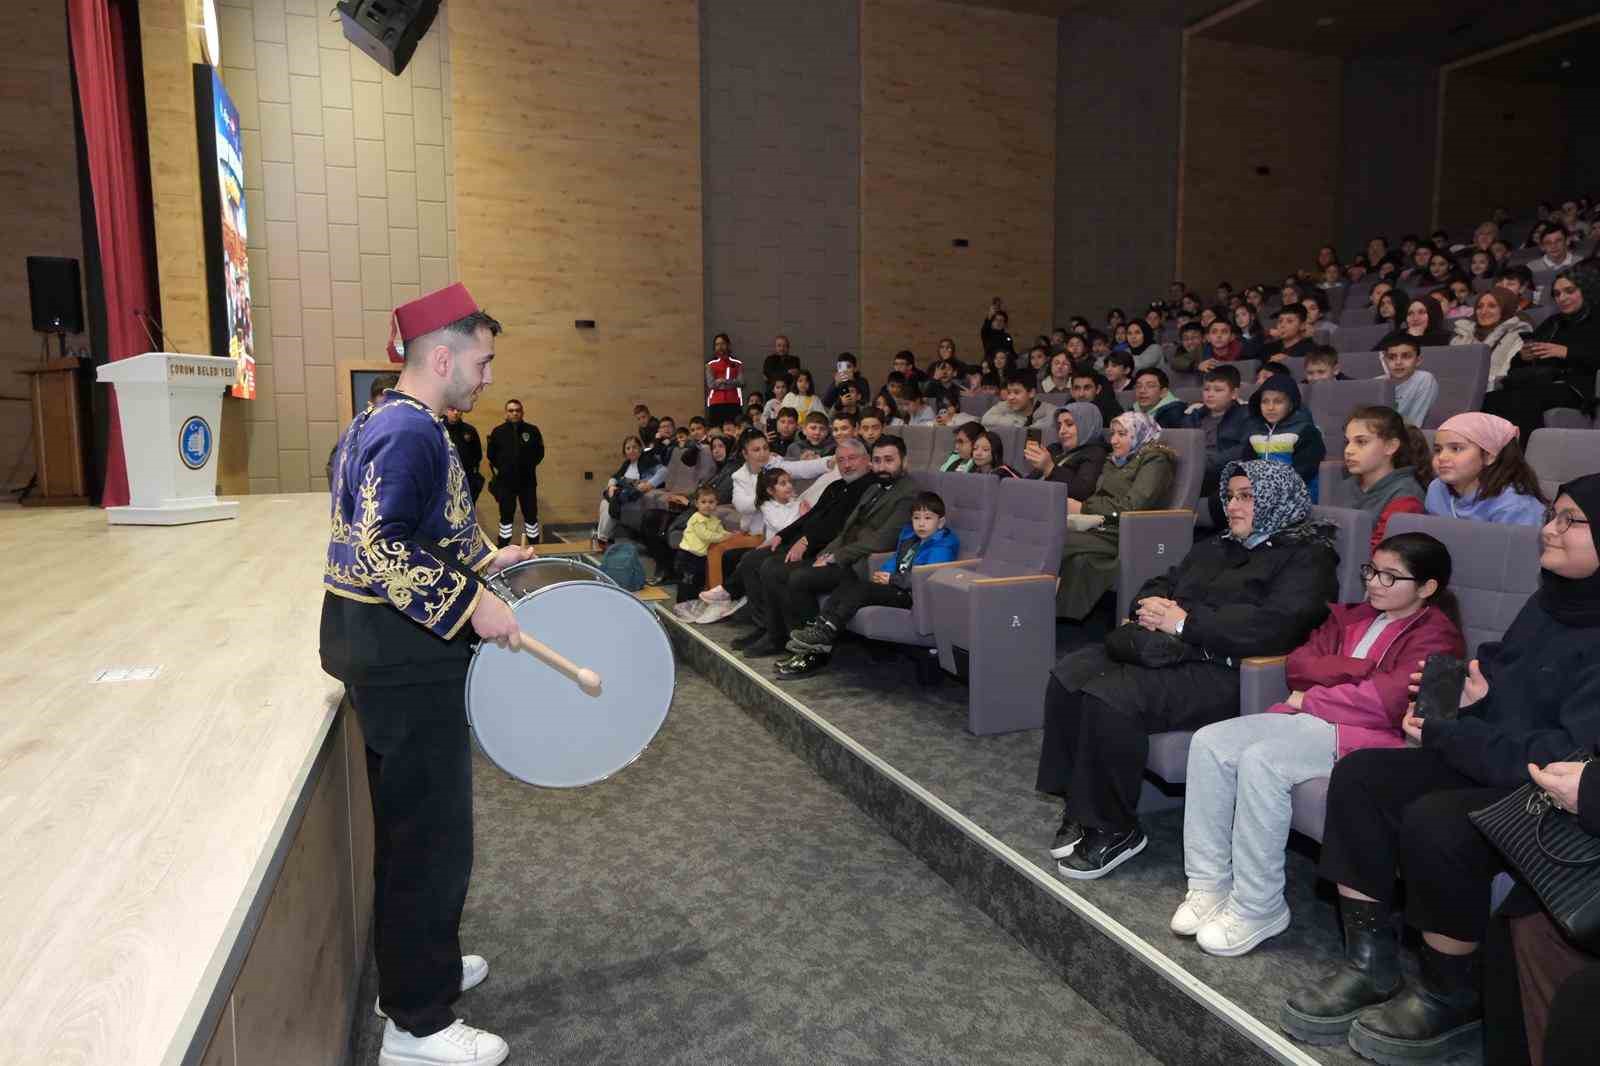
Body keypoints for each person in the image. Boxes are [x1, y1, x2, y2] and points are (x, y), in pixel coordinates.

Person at [1281, 477, 1600, 1062]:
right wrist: (1475, 698)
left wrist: (1459, 730)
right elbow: (1506, 678)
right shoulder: (1550, 597)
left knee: (1439, 821)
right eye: (1552, 514)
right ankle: (1371, 964)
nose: (1549, 528)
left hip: (1553, 793)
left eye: (1571, 520)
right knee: (1362, 778)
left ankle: (1450, 994)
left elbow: (1567, 754)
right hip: (1494, 751)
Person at [321, 284, 518, 1066]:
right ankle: (418, 1024)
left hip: (384, 646)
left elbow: (429, 526)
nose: (487, 376)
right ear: (443, 357)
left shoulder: (394, 419)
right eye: (482, 360)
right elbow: (386, 549)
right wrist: (473, 605)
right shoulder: (408, 433)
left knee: (412, 831)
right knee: (430, 838)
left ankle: (414, 971)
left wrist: (484, 561)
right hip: (405, 657)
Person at [1041, 461, 1340, 879]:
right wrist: (1147, 607)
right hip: (1169, 650)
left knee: (1112, 696)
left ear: (1275, 500)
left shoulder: (1309, 559)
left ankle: (1116, 827)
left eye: (1247, 497)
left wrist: (1183, 621)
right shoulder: (1218, 544)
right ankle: (1079, 800)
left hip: (1231, 671)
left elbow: (1275, 626)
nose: (1233, 506)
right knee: (1069, 675)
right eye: (1231, 496)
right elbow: (1165, 580)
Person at [1177, 532, 1465, 956]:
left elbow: (1384, 704)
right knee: (1209, 742)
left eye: (1391, 577)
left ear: (1427, 588)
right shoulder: (1354, 615)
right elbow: (1299, 664)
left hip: (1372, 739)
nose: (1374, 584)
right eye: (1372, 571)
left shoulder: (1436, 635)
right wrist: (1356, 670)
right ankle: (1208, 884)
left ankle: (1259, 906)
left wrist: (1315, 695)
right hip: (1314, 721)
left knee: (1263, 760)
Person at [730, 436, 918, 657]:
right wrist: (826, 552)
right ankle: (783, 637)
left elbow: (883, 539)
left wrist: (834, 555)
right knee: (768, 565)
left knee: (793, 574)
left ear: (904, 461)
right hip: (839, 553)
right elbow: (846, 529)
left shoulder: (906, 492)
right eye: (878, 460)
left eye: (889, 460)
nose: (882, 466)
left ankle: (809, 651)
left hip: (860, 563)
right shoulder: (874, 487)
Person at [776, 491, 960, 678]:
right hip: (894, 587)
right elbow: (895, 559)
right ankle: (821, 627)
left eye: (928, 518)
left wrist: (892, 579)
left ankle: (828, 629)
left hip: (910, 595)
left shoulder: (942, 545)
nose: (921, 523)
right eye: (916, 518)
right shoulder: (910, 538)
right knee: (849, 585)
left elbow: (925, 577)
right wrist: (884, 573)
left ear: (941, 522)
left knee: (860, 590)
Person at [1054, 412, 1176, 622]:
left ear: (1140, 434)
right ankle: (1056, 615)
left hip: (1129, 532)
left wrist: (1084, 508)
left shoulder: (1156, 459)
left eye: (1122, 434)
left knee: (1056, 541)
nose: (1113, 440)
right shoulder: (1118, 459)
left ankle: (1038, 611)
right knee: (1074, 555)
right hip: (1102, 525)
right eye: (1112, 434)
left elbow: (1133, 506)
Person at [1483, 266, 1600, 444]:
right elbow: (1517, 363)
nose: (1562, 298)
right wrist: (1523, 357)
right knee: (1491, 399)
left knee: (1527, 398)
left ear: (1586, 289)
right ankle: (1496, 458)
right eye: (1557, 294)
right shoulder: (1553, 322)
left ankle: (1524, 459)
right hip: (1543, 380)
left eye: (1569, 291)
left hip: (1578, 387)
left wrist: (1566, 352)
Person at [1424, 412, 1546, 526]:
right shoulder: (1437, 489)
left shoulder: (1515, 505)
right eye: (1437, 450)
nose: (1442, 457)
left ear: (1489, 456)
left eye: (1456, 449)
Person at [1339, 405, 1429, 549]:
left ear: (1391, 447)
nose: (1348, 450)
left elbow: (1382, 553)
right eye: (1347, 442)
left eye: (1361, 442)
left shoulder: (1405, 495)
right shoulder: (1346, 485)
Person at [1180, 365, 1252, 526]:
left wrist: (1203, 463)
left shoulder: (1246, 416)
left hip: (1222, 472)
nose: (1210, 394)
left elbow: (1244, 450)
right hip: (1192, 471)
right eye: (1206, 389)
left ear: (1234, 393)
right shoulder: (1192, 418)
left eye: (1218, 390)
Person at [1246, 373, 1326, 498]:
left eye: (1278, 402)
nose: (1270, 407)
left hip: (1295, 493)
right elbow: (1246, 464)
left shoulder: (1305, 430)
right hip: (1262, 490)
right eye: (1265, 402)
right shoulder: (1255, 432)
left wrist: (1274, 487)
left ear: (1291, 405)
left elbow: (1305, 470)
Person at [485, 398, 544, 547]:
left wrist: (527, 466)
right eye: (511, 411)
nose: (515, 413)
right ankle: (503, 546)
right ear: (506, 413)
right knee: (506, 517)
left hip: (527, 482)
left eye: (517, 410)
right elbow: (491, 455)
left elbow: (540, 453)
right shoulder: (498, 432)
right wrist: (505, 468)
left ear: (522, 412)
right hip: (506, 483)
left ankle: (535, 546)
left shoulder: (532, 430)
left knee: (531, 516)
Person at [1024, 403, 1110, 501]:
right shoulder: (1054, 448)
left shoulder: (1095, 453)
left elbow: (1082, 492)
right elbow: (1030, 481)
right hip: (1033, 500)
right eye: (1059, 425)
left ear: (1086, 425)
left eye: (1069, 424)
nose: (1061, 431)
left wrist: (1050, 468)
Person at [1451, 287, 1531, 390]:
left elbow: (1504, 376)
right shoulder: (1462, 335)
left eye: (1492, 306)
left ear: (1506, 308)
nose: (1483, 312)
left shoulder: (1518, 334)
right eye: (1479, 307)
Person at [670, 485, 733, 617]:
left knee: (697, 582)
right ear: (696, 503)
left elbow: (720, 531)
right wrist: (723, 537)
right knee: (686, 582)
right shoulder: (696, 518)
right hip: (687, 556)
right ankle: (681, 606)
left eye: (711, 502)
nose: (707, 505)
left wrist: (731, 535)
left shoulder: (714, 520)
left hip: (700, 557)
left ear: (716, 503)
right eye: (703, 502)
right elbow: (706, 535)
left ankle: (692, 606)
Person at [595, 435, 664, 544]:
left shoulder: (648, 460)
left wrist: (649, 485)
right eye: (628, 448)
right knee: (606, 502)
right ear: (625, 451)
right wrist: (611, 486)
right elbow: (615, 477)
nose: (631, 450)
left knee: (608, 503)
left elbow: (663, 472)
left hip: (634, 496)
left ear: (640, 449)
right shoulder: (627, 463)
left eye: (635, 447)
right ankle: (604, 537)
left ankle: (603, 538)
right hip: (622, 494)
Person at [1380, 335, 1439, 427]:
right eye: (1391, 357)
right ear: (1385, 361)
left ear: (1418, 361)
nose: (1398, 362)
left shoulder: (1424, 379)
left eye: (1406, 356)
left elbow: (1414, 425)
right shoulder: (1378, 382)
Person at [982, 369, 1058, 429]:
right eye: (1009, 392)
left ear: (1031, 393)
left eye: (1016, 392)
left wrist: (1022, 427)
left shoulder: (1048, 410)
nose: (1010, 397)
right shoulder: (1005, 405)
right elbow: (985, 420)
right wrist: (1016, 422)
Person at [443, 406, 483, 505]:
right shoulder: (439, 429)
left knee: (466, 508)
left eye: (459, 410)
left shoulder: (469, 430)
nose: (456, 413)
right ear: (446, 411)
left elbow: (477, 454)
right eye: (452, 410)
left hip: (466, 478)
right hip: (444, 478)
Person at [705, 332, 744, 426]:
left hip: (734, 402)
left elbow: (741, 382)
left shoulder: (737, 363)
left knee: (734, 428)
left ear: (728, 345)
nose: (720, 347)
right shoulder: (710, 365)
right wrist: (730, 383)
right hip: (716, 403)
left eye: (722, 344)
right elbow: (711, 384)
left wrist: (723, 381)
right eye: (717, 344)